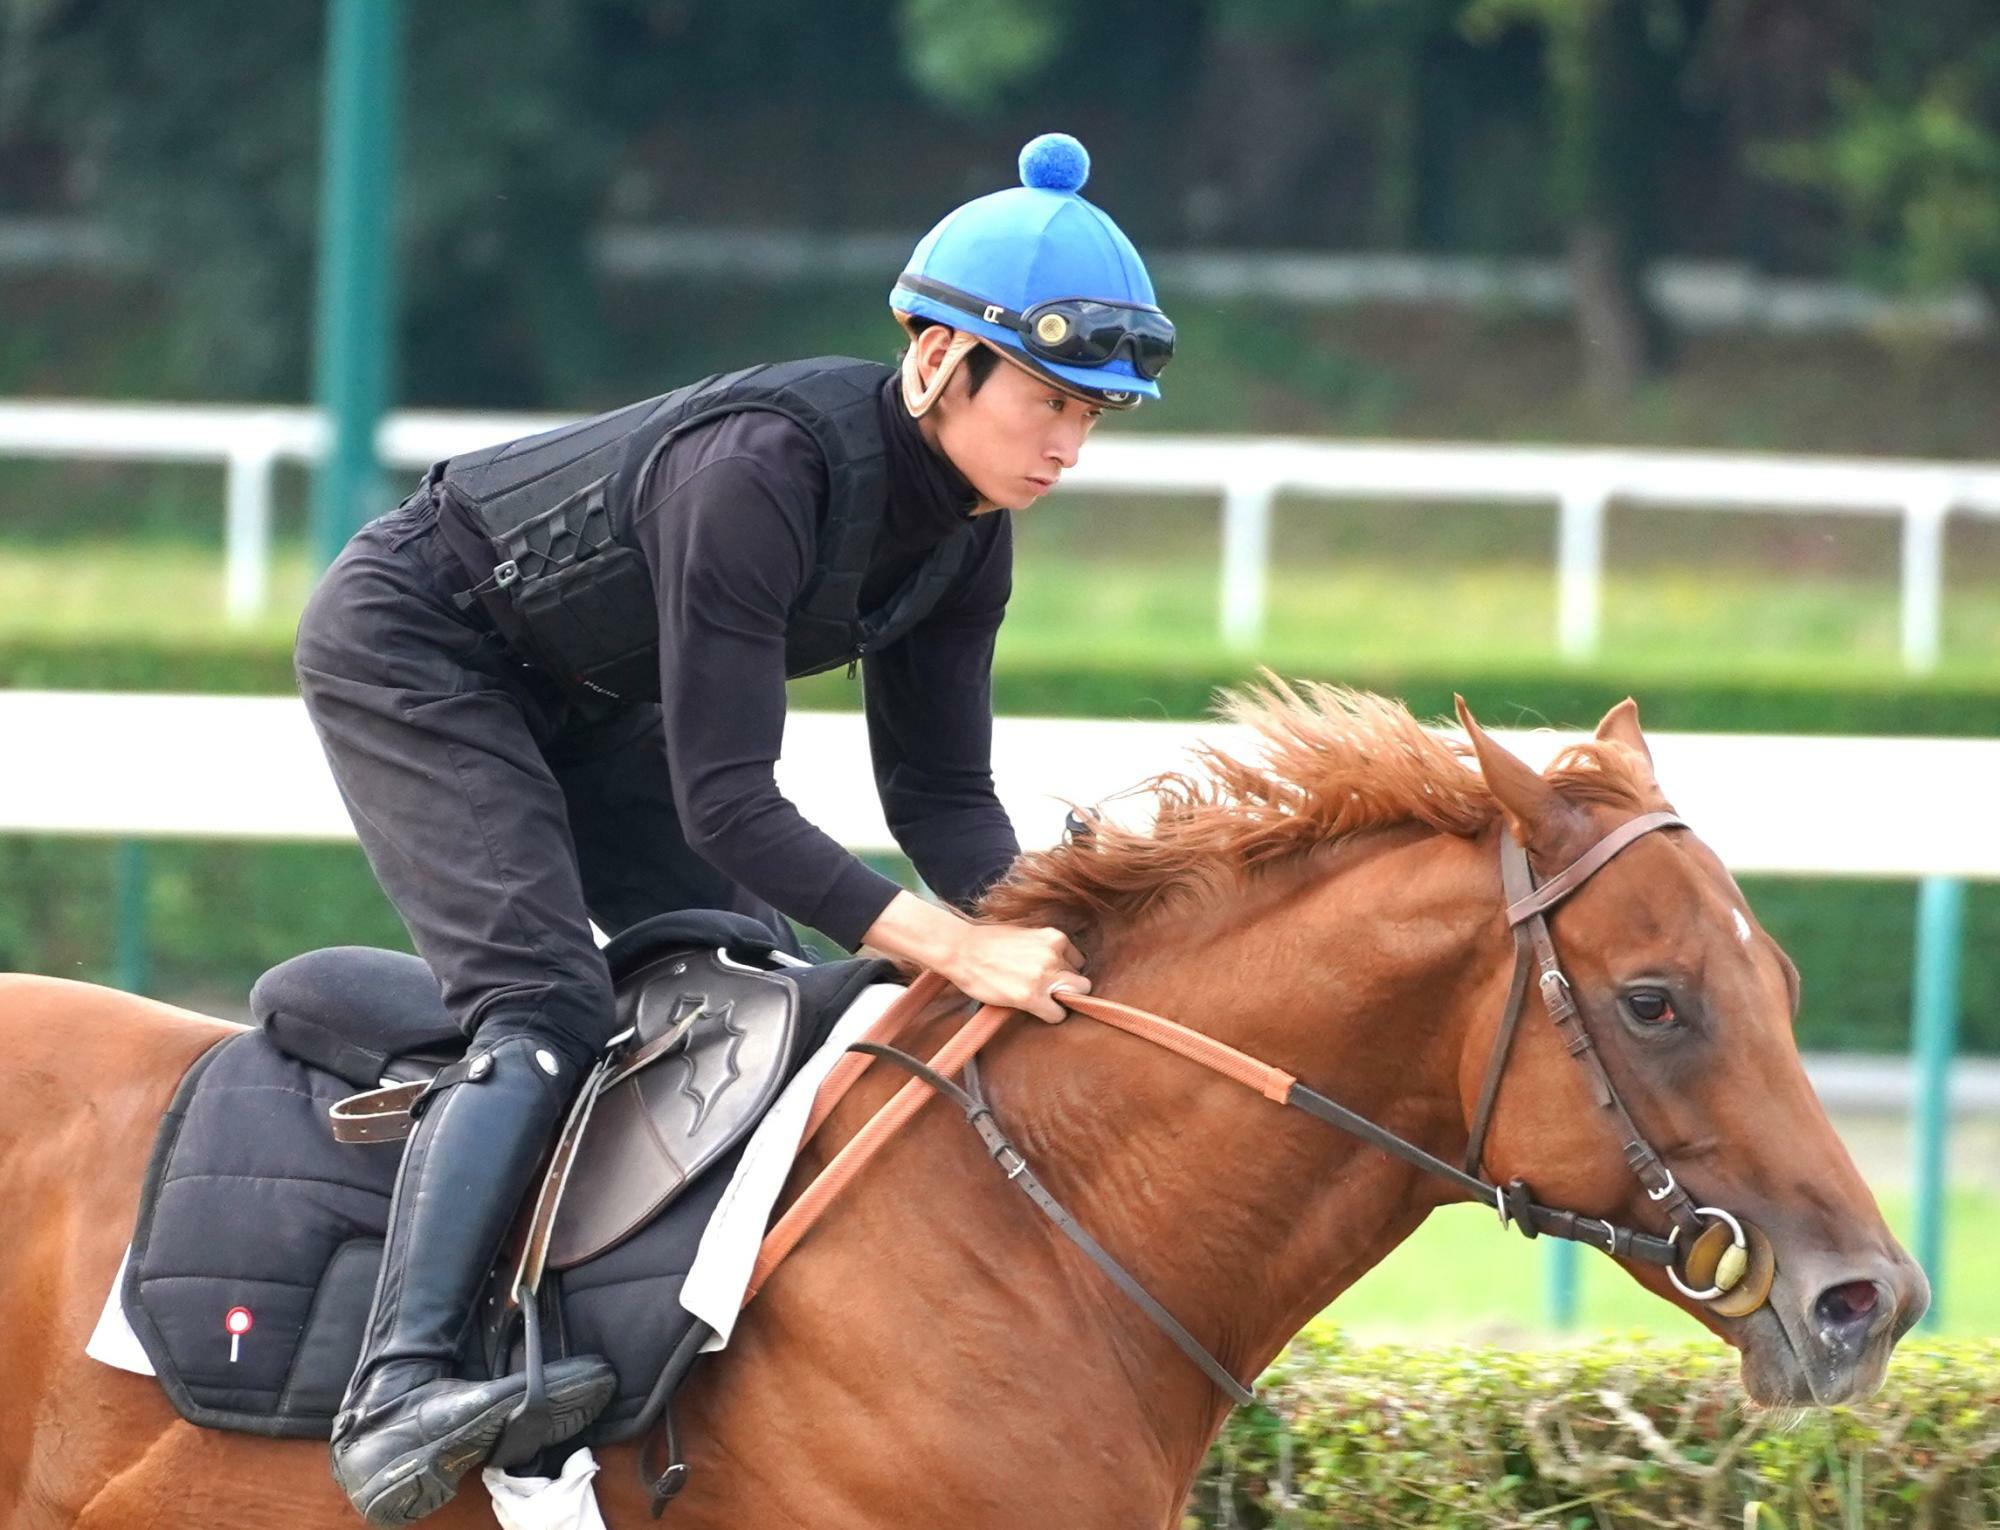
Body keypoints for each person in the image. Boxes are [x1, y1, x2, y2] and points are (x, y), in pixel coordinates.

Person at [292, 131, 1175, 1524]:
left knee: (755, 993)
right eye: (1051, 401)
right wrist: (948, 944)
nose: (1069, 443)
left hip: (581, 696)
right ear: (943, 360)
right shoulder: (763, 468)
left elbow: (941, 798)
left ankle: (640, 1338)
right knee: (545, 1006)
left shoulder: (968, 533)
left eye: (1096, 416)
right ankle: (399, 1384)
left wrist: (1053, 928)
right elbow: (728, 799)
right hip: (423, 645)